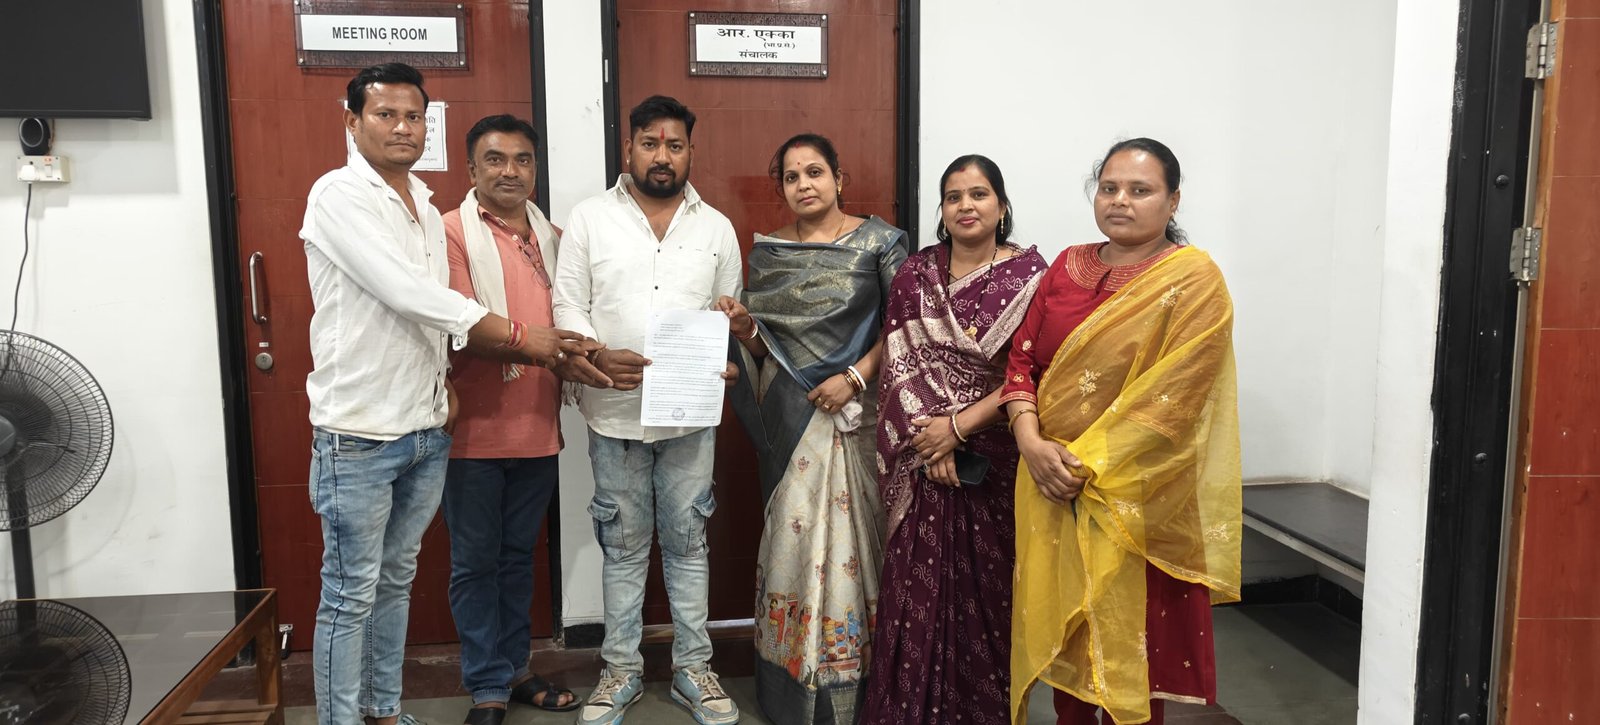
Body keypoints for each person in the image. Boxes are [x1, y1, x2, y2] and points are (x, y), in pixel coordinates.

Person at [299, 63, 605, 725]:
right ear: (352, 121)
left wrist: (443, 382)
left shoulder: (422, 204)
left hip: (425, 423)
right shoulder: (340, 196)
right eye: (385, 114)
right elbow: (414, 296)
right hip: (360, 429)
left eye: (413, 116)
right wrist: (524, 337)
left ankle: (384, 711)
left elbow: (437, 320)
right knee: (351, 594)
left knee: (396, 580)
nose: (402, 128)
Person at [1002, 138, 1241, 725]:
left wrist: (1083, 466)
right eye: (1109, 188)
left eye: (1140, 190)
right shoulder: (1066, 265)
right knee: (1067, 642)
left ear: (1173, 200)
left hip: (1135, 496)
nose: (1120, 200)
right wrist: (1031, 444)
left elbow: (1176, 397)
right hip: (1047, 484)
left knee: (1130, 651)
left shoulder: (1194, 280)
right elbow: (1022, 361)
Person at [552, 95, 742, 725]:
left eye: (675, 145)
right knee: (624, 547)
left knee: (689, 544)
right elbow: (568, 304)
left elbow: (726, 313)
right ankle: (620, 671)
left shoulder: (716, 228)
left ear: (690, 151)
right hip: (614, 414)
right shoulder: (589, 219)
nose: (663, 156)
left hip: (689, 417)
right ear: (629, 147)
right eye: (651, 143)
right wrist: (596, 354)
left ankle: (693, 669)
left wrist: (724, 353)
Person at [717, 133, 909, 725]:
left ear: (839, 178)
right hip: (791, 422)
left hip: (857, 418)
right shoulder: (768, 256)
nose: (804, 184)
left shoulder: (880, 243)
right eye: (792, 177)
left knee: (860, 547)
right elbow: (764, 351)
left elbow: (904, 328)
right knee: (794, 543)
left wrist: (853, 377)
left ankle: (867, 684)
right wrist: (746, 330)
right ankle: (791, 688)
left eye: (815, 172)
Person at [859, 155, 1047, 724]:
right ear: (941, 210)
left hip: (993, 459)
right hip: (922, 459)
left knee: (987, 597)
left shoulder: (1032, 278)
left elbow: (1030, 375)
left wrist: (958, 430)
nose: (966, 205)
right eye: (953, 196)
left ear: (1002, 206)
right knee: (913, 596)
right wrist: (931, 441)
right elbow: (899, 370)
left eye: (979, 194)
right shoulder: (916, 274)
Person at [440, 114, 588, 724]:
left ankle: (515, 667)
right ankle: (486, 685)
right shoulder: (448, 232)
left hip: (536, 429)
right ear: (471, 169)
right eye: (495, 159)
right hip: (471, 434)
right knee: (475, 563)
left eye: (523, 159)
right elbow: (464, 323)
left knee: (517, 558)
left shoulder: (555, 238)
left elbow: (578, 318)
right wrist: (544, 343)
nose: (510, 171)